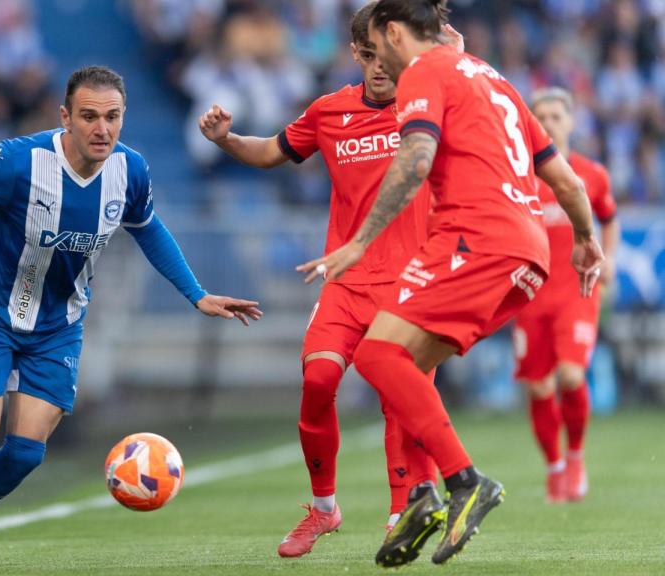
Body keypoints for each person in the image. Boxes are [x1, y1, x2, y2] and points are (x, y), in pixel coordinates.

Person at [0, 65, 262, 565]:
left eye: (112, 117)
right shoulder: (20, 163)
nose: (101, 129)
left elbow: (148, 229)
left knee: (24, 454)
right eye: (88, 116)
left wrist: (195, 293)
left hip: (58, 328)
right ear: (65, 117)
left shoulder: (131, 171)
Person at [302, 0, 603, 566]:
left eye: (376, 46)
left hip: (474, 238)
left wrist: (361, 240)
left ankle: (464, 481)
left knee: (376, 355)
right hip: (529, 252)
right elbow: (564, 179)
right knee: (403, 363)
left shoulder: (425, 73)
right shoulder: (495, 79)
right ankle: (421, 496)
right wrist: (587, 241)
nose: (378, 61)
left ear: (394, 32)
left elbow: (416, 159)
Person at [197, 2, 452, 558]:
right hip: (346, 278)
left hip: (412, 283)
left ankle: (402, 514)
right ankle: (324, 508)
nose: (377, 66)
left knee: (400, 399)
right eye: (367, 55)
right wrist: (225, 140)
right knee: (316, 382)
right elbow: (271, 152)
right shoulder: (330, 111)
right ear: (357, 54)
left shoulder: (428, 105)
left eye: (385, 53)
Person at [513, 87, 619, 503]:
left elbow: (609, 217)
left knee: (572, 375)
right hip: (530, 292)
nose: (550, 122)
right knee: (538, 387)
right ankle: (555, 466)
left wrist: (609, 257)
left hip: (578, 290)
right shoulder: (520, 177)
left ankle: (576, 457)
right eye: (541, 116)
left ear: (572, 121)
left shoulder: (592, 175)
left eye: (557, 115)